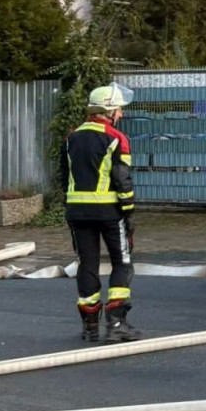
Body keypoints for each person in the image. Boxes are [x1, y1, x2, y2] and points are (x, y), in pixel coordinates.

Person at [59, 82, 140, 342]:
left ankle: (90, 325)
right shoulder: (116, 138)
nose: (122, 114)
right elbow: (122, 180)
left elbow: (64, 178)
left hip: (77, 212)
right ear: (109, 111)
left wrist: (70, 206)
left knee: (87, 264)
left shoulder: (71, 138)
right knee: (122, 262)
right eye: (119, 109)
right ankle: (116, 323)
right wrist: (129, 212)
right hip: (109, 212)